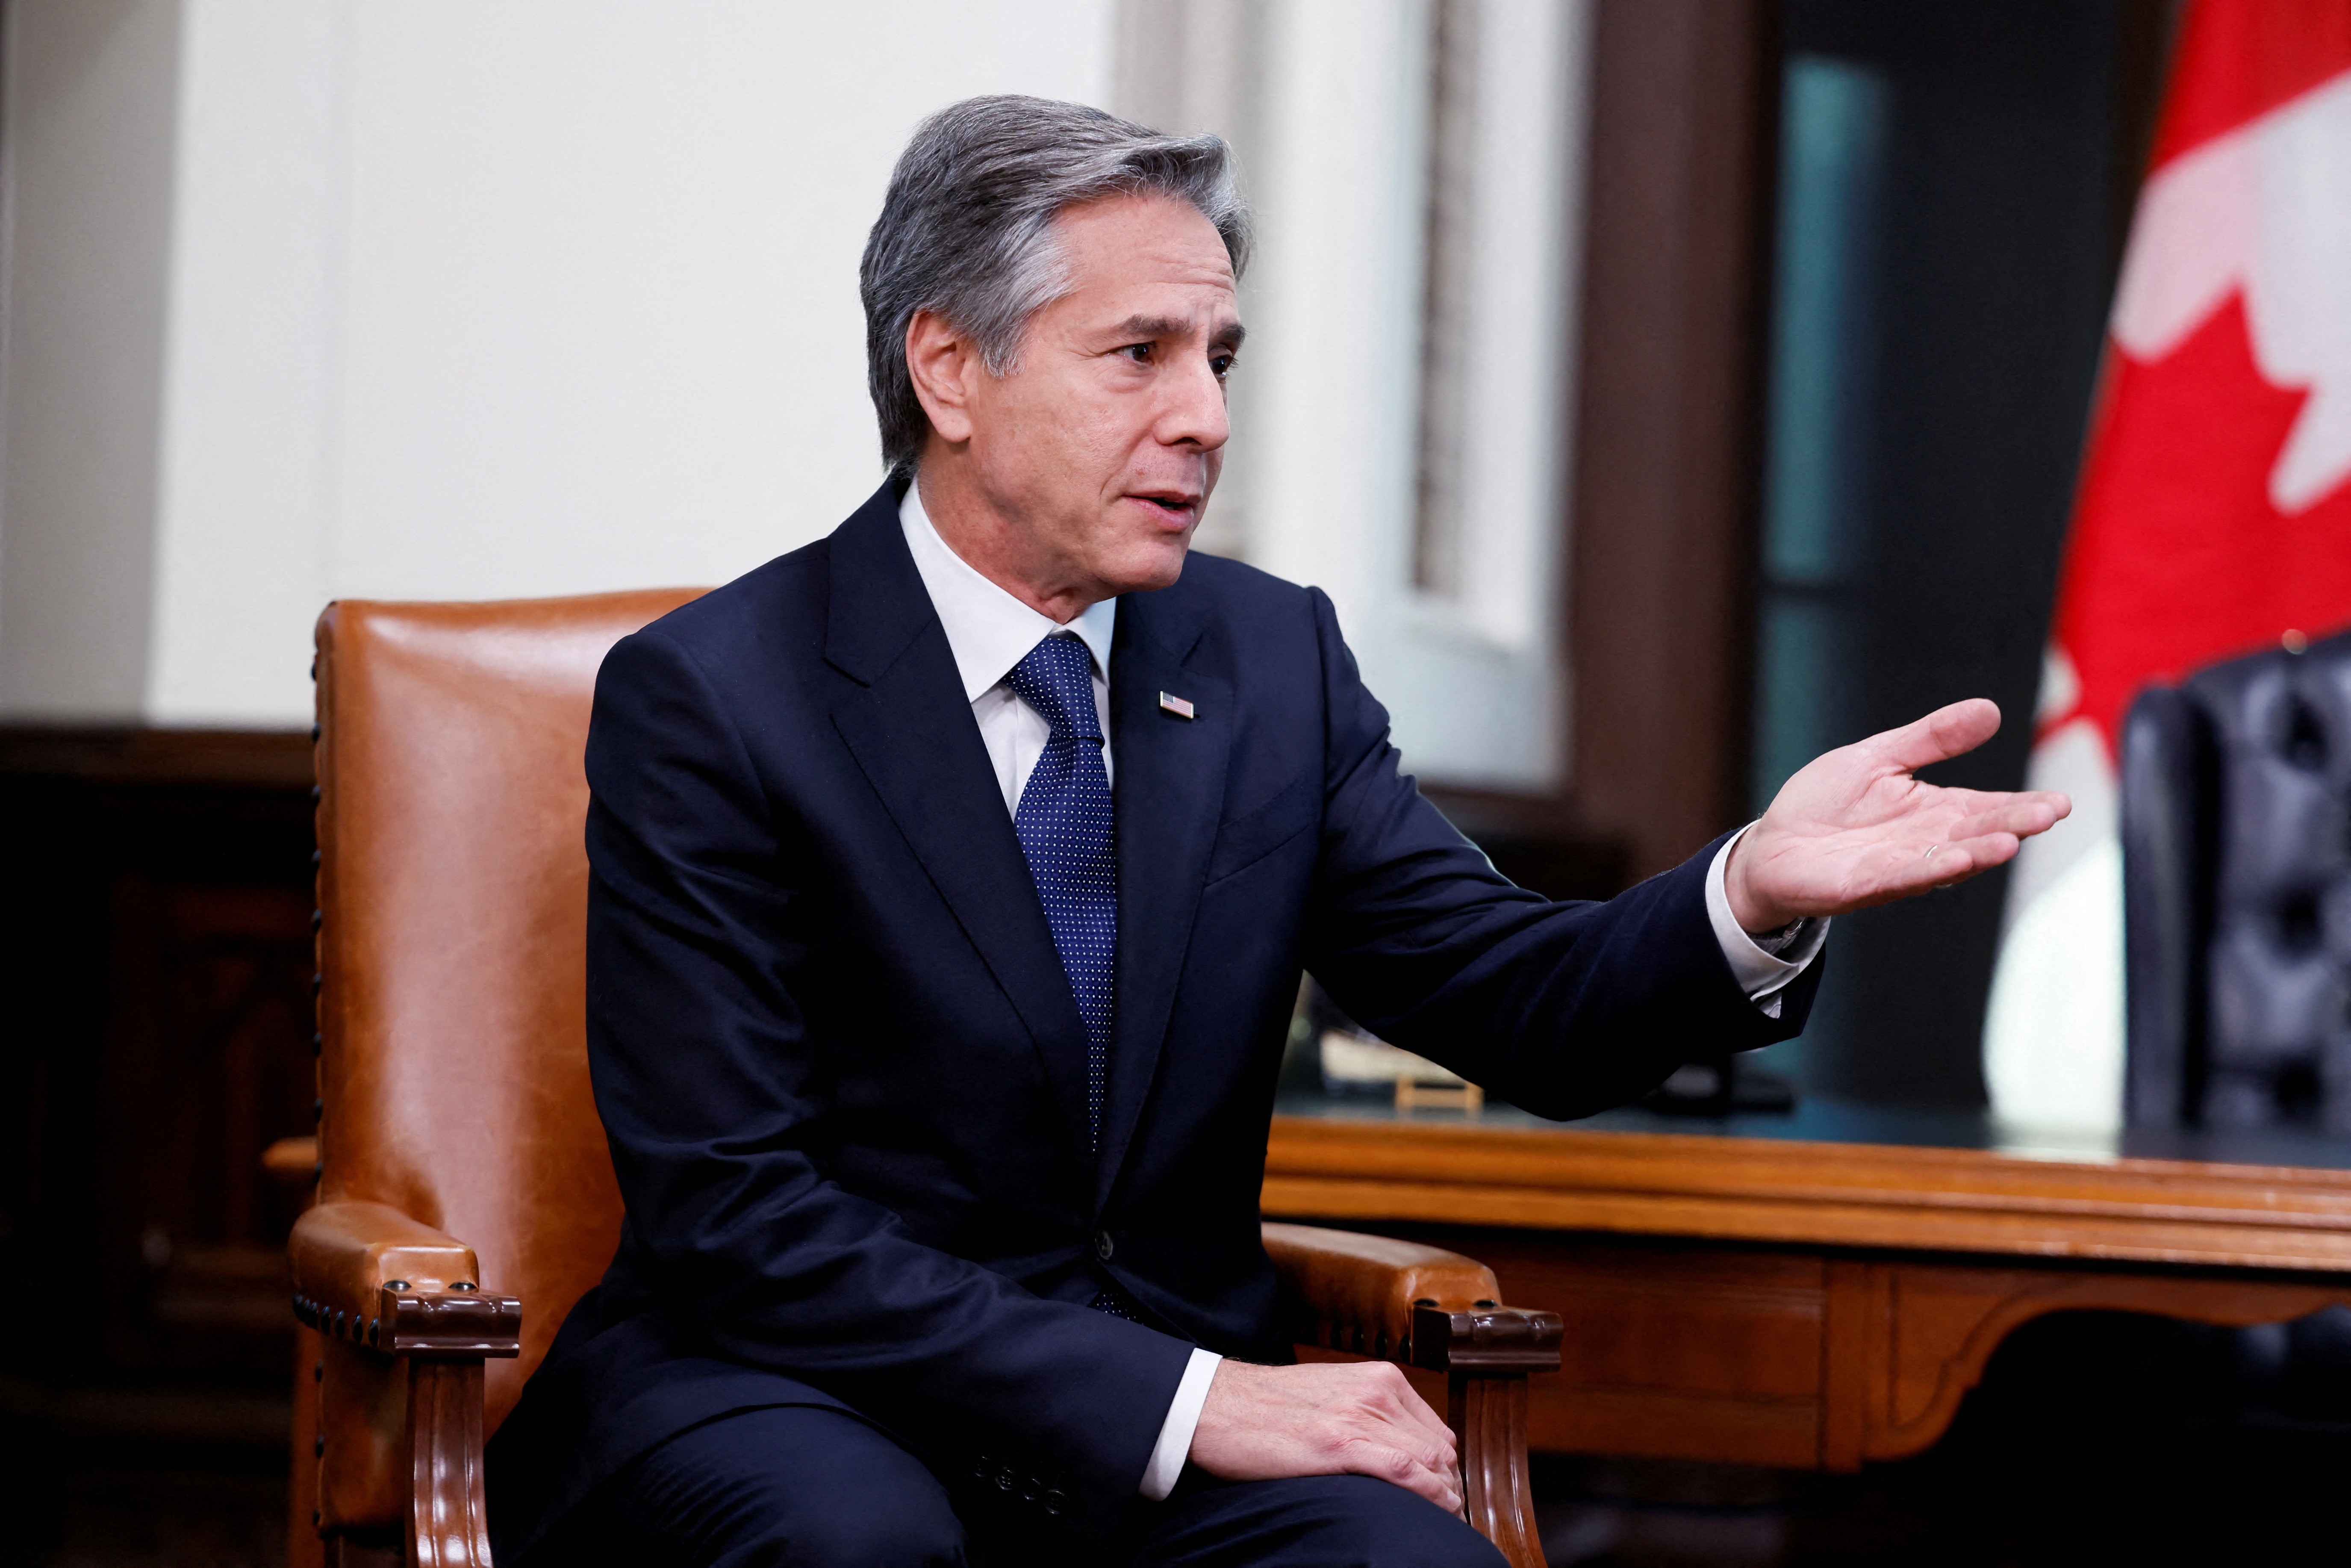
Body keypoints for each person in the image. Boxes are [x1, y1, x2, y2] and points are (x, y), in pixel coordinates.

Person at [485, 95, 2068, 1568]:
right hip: (801, 1395)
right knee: (860, 1543)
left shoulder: (1265, 663)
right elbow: (738, 1215)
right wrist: (1191, 1396)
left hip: (1155, 1441)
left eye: (1220, 359)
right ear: (949, 369)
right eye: (1140, 353)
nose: (1204, 417)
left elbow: (1515, 1005)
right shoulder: (717, 694)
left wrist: (1749, 889)